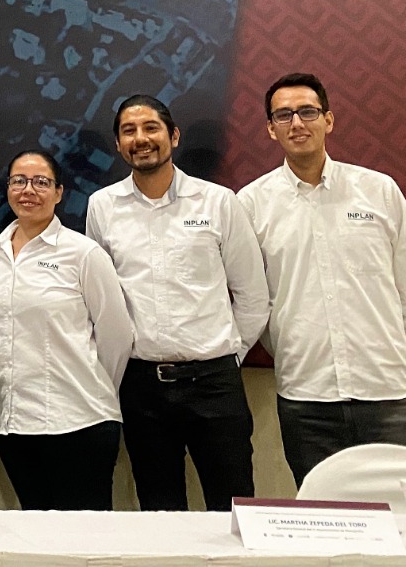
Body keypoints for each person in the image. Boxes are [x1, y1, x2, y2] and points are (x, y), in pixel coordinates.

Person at [238, 72, 406, 485]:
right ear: (270, 129)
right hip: (306, 399)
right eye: (284, 115)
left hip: (387, 393)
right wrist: (290, 346)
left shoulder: (379, 190)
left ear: (328, 120)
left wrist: (388, 348)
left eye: (307, 112)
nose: (297, 123)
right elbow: (254, 301)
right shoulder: (251, 204)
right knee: (323, 515)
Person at [85, 95, 269, 511]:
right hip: (141, 387)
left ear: (174, 136)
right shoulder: (103, 206)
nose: (141, 138)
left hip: (215, 384)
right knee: (159, 512)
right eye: (129, 131)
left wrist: (226, 355)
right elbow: (101, 301)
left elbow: (253, 295)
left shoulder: (218, 201)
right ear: (118, 144)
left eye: (151, 127)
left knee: (233, 508)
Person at [0, 150, 132, 510]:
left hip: (78, 422)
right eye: (19, 181)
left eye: (41, 182)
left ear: (59, 192)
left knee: (83, 538)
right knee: (34, 533)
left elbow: (117, 336)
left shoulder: (83, 254)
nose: (28, 190)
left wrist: (90, 386)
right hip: (11, 424)